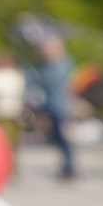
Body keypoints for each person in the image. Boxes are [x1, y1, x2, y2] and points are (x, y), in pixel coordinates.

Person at [36, 36, 77, 180]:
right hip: (54, 106)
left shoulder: (60, 65)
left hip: (61, 107)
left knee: (64, 139)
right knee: (59, 139)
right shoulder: (51, 65)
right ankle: (66, 167)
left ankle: (69, 168)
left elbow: (50, 85)